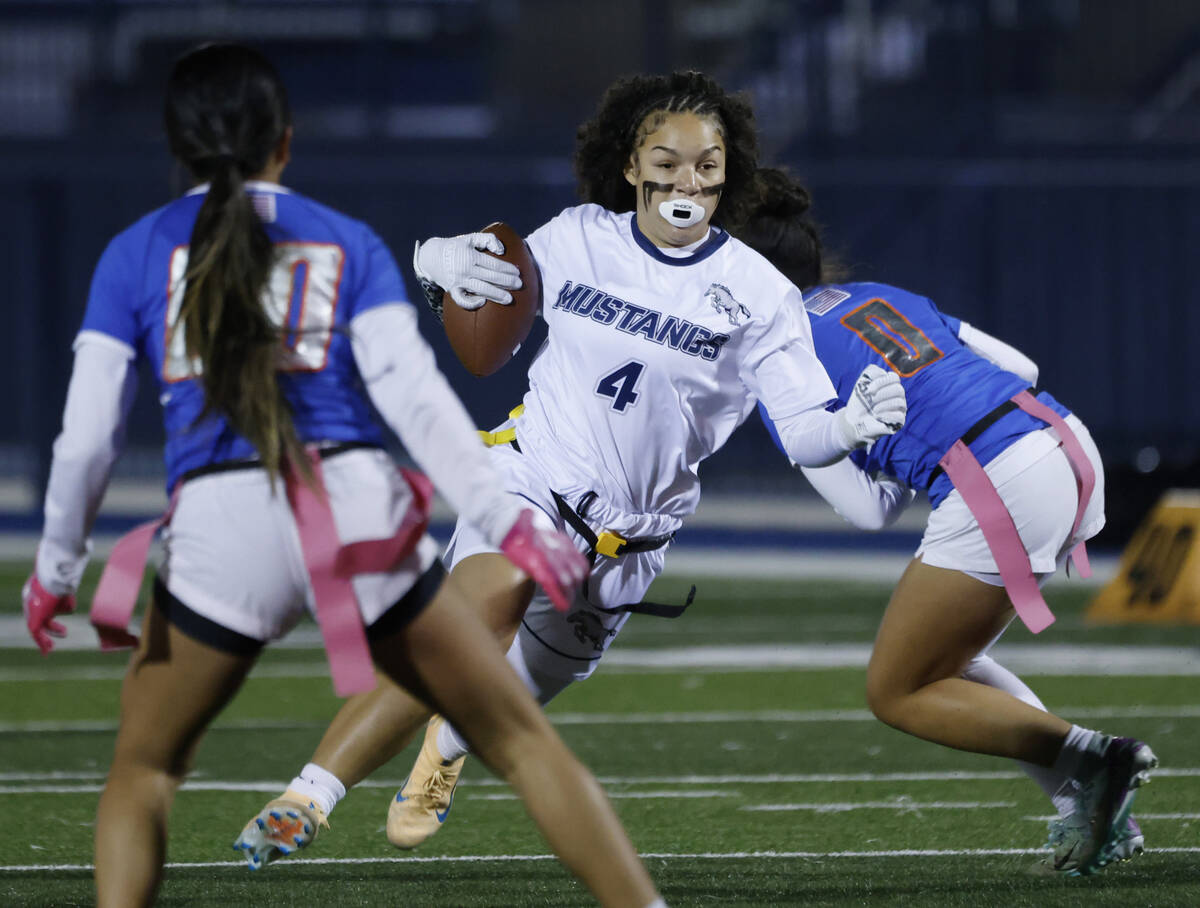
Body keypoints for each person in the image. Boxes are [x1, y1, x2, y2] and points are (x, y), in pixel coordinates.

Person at [20, 43, 667, 908]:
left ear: (174, 146)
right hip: (352, 508)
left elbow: (87, 441)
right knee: (519, 741)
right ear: (285, 142)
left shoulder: (135, 253)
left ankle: (302, 796)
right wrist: (506, 523)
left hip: (222, 524)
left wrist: (59, 569)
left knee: (141, 773)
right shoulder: (345, 241)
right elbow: (423, 410)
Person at [235, 71, 908, 859]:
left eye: (706, 165)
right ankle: (305, 799)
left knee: (498, 699)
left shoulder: (760, 294)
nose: (686, 180)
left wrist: (848, 425)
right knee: (466, 627)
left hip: (629, 542)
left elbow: (801, 435)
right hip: (534, 480)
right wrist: (437, 267)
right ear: (631, 165)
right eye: (668, 160)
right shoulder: (578, 237)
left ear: (729, 174)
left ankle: (445, 748)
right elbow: (488, 323)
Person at [740, 167, 1156, 875]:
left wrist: (877, 441)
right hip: (1058, 436)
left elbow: (870, 511)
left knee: (897, 689)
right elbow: (1020, 366)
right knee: (948, 664)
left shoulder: (779, 364)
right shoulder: (878, 296)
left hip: (999, 476)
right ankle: (1091, 804)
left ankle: (1097, 759)